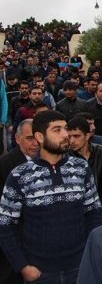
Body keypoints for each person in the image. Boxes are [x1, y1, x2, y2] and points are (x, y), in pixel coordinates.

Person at [0, 110, 102, 283]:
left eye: (65, 128)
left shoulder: (81, 168)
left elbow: (93, 213)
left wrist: (91, 255)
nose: (65, 135)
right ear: (39, 136)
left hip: (80, 268)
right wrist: (23, 266)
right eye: (57, 130)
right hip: (40, 273)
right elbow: (5, 224)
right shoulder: (20, 175)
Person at [0, 119, 39, 284]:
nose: (36, 143)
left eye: (38, 137)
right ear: (17, 139)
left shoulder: (46, 161)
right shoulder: (5, 163)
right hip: (15, 238)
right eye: (30, 138)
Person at [68, 116, 102, 224]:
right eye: (69, 137)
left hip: (100, 209)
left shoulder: (101, 151)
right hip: (77, 213)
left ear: (87, 135)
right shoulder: (66, 156)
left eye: (76, 136)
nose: (72, 141)